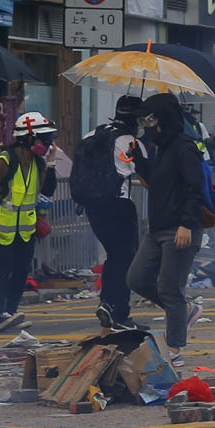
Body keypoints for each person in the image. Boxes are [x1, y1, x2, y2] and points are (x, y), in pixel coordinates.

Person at [128, 93, 209, 365]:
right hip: (157, 229)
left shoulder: (185, 148)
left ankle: (174, 349)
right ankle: (185, 310)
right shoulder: (162, 148)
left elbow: (195, 190)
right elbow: (157, 183)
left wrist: (186, 224)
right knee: (137, 279)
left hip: (180, 229)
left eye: (150, 119)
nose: (147, 125)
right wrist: (139, 160)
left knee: (170, 289)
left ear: (164, 118)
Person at [0, 111, 58, 332]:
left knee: (22, 271)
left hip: (24, 229)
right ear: (28, 138)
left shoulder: (37, 163)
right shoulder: (4, 161)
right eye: (43, 139)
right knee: (3, 270)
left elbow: (48, 190)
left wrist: (51, 163)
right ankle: (0, 315)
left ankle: (11, 313)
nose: (47, 143)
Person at [78, 96, 148, 330]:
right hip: (120, 206)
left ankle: (107, 303)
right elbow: (146, 179)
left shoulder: (92, 135)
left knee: (114, 256)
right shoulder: (131, 143)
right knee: (126, 259)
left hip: (93, 207)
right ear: (136, 119)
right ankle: (120, 314)